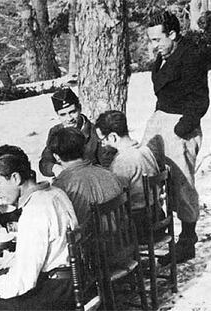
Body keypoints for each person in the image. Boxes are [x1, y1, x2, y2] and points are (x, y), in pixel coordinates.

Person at [0, 145, 78, 310]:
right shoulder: (55, 193)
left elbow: (22, 282)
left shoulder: (34, 211)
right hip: (70, 282)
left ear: (16, 178)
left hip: (55, 293)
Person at [143, 11, 209, 264]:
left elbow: (200, 99)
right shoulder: (163, 56)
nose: (153, 45)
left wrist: (182, 129)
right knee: (147, 174)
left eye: (157, 39)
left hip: (180, 125)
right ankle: (158, 230)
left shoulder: (189, 56)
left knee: (182, 183)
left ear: (172, 34)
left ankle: (187, 241)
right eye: (150, 40)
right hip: (160, 119)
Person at [95, 110, 165, 243]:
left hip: (139, 228)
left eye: (102, 140)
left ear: (113, 137)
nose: (102, 145)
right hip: (158, 217)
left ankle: (122, 261)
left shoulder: (122, 161)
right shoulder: (146, 150)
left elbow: (115, 198)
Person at [49, 127, 123, 224]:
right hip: (121, 236)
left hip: (90, 238)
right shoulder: (109, 174)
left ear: (57, 157)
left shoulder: (61, 187)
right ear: (84, 149)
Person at [39, 88, 113, 178]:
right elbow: (44, 162)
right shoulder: (55, 131)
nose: (69, 118)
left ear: (80, 108)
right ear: (57, 115)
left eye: (72, 112)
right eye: (63, 114)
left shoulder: (96, 132)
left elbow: (107, 168)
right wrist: (55, 168)